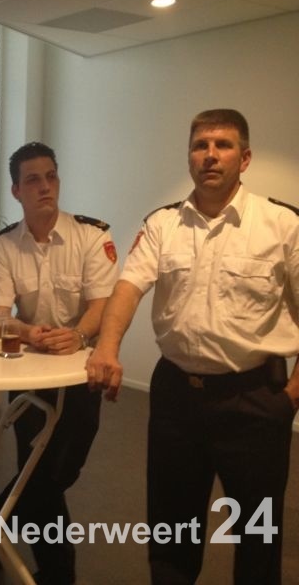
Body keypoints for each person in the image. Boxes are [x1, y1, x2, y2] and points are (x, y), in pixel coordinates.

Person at [86, 109, 299, 585]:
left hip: (254, 399)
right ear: (189, 157)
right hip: (177, 397)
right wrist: (107, 347)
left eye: (223, 145)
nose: (210, 155)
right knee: (171, 531)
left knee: (258, 537)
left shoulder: (282, 224)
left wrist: (289, 398)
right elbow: (129, 287)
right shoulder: (163, 224)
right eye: (201, 145)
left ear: (245, 158)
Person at [0, 142, 118, 585]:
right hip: (27, 376)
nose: (45, 187)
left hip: (80, 372)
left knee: (59, 470)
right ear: (16, 190)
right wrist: (28, 332)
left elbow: (102, 306)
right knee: (37, 467)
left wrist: (77, 334)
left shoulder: (91, 236)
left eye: (51, 176)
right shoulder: (3, 246)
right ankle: (57, 573)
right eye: (33, 179)